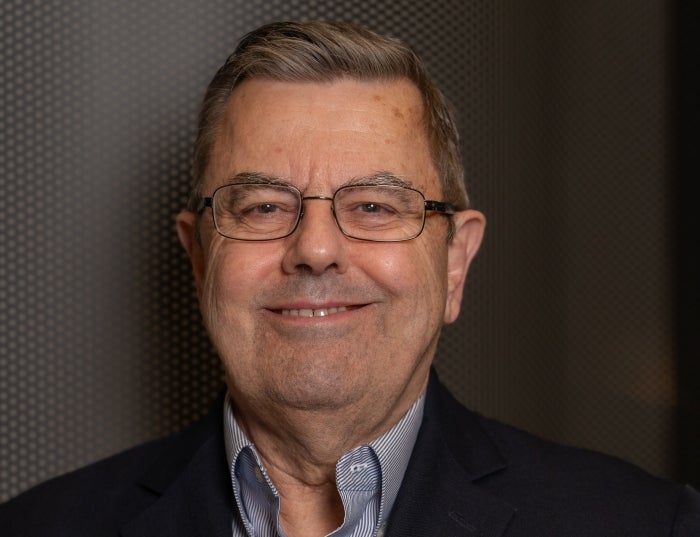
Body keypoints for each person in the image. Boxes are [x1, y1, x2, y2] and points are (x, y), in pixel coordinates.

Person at [1, 19, 698, 537]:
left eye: (373, 205)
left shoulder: (645, 524)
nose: (316, 249)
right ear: (199, 257)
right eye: (263, 205)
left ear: (455, 262)